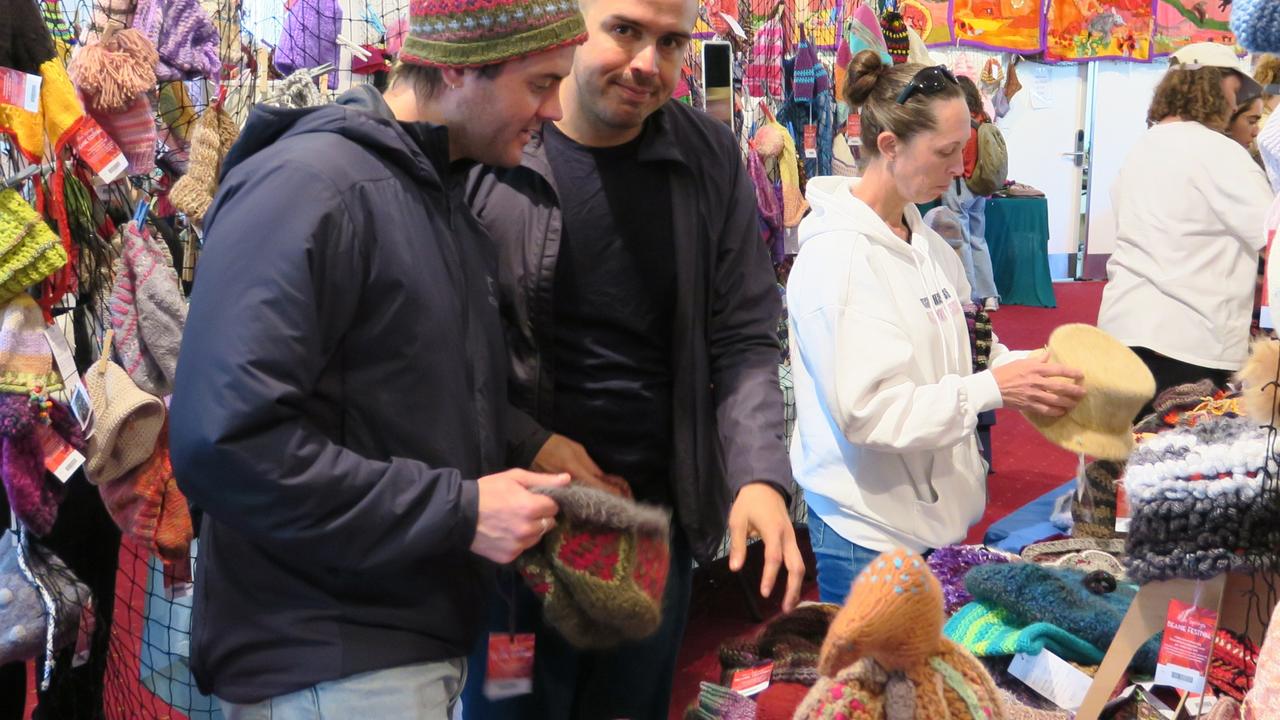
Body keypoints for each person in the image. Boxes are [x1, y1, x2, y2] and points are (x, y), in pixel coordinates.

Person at [168, 1, 590, 717]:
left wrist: (532, 444)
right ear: (458, 68)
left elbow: (393, 389)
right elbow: (224, 443)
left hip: (389, 650)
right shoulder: (313, 184)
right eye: (541, 83)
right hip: (327, 663)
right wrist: (459, 511)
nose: (555, 109)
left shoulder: (429, 194)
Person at [461, 0, 802, 715]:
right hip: (516, 528)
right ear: (573, 25)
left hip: (652, 525)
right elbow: (434, 348)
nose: (649, 63)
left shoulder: (706, 158)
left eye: (672, 42)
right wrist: (528, 441)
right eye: (625, 31)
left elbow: (743, 329)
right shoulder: (496, 148)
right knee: (511, 706)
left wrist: (758, 476)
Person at [787, 51, 1085, 603]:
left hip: (927, 521)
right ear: (888, 146)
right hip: (870, 533)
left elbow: (972, 347)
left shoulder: (924, 240)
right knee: (872, 686)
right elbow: (869, 413)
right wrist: (995, 388)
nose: (959, 169)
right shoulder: (840, 262)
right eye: (947, 152)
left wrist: (1029, 370)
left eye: (963, 150)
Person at [1097, 48, 1272, 417]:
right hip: (1189, 341)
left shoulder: (1144, 147)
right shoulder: (1218, 153)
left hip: (1123, 331)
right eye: (1233, 87)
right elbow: (1271, 235)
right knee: (1177, 465)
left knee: (1122, 457)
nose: (1234, 100)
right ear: (1215, 84)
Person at [940, 74, 1000, 312]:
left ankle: (970, 295)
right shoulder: (984, 120)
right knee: (978, 239)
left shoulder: (960, 123)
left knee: (961, 241)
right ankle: (990, 295)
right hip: (980, 187)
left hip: (959, 185)